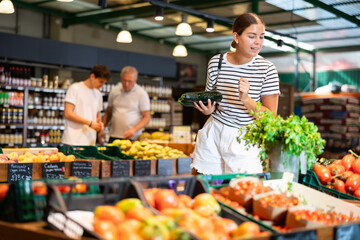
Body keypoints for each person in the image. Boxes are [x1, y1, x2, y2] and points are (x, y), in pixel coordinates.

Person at [191, 13, 280, 175]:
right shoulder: (216, 63)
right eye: (252, 36)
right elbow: (211, 101)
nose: (258, 42)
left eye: (261, 37)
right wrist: (208, 110)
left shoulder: (267, 69)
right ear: (236, 36)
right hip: (214, 133)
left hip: (245, 139)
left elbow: (271, 117)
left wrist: (246, 99)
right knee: (205, 189)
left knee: (241, 191)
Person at [61, 64, 111, 146]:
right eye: (100, 81)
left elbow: (97, 117)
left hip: (90, 142)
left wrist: (100, 126)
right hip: (72, 141)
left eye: (104, 83)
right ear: (92, 76)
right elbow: (67, 113)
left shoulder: (98, 94)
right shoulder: (75, 88)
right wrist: (90, 123)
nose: (102, 85)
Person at [99, 66, 150, 143]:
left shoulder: (141, 94)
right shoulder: (114, 91)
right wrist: (102, 129)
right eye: (124, 80)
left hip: (133, 138)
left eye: (130, 81)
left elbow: (147, 117)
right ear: (121, 78)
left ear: (135, 80)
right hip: (114, 136)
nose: (126, 84)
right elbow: (108, 113)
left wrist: (134, 129)